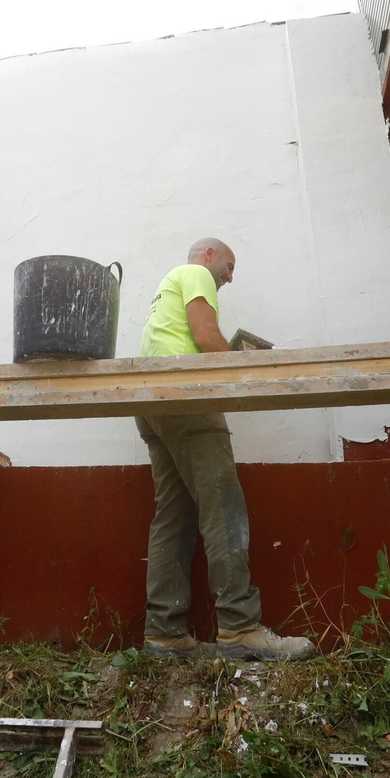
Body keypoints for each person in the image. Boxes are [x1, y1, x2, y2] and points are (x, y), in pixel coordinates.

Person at [136, 238, 316, 662]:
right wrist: (250, 369)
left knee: (173, 516)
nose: (230, 278)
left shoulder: (166, 289)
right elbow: (204, 335)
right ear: (209, 255)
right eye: (229, 267)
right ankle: (239, 627)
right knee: (224, 508)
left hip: (150, 403)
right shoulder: (195, 273)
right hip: (188, 398)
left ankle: (164, 634)